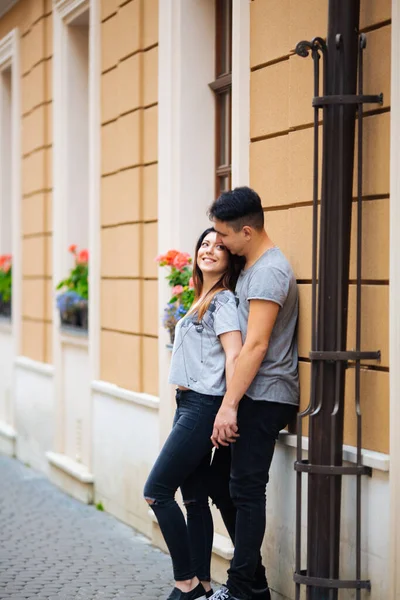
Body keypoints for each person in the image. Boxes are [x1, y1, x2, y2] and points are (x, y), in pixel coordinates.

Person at [207, 187, 300, 600]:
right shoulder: (251, 266)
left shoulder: (269, 272)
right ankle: (256, 582)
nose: (219, 243)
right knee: (219, 482)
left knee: (245, 489)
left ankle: (242, 588)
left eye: (223, 236)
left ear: (246, 230)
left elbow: (257, 346)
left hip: (266, 396)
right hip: (250, 394)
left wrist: (229, 406)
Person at [144, 227, 244, 600]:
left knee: (156, 491)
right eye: (204, 244)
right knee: (194, 498)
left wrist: (229, 409)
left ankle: (184, 582)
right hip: (189, 403)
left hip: (204, 406)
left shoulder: (223, 302)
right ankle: (202, 583)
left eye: (220, 246)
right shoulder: (203, 298)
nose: (210, 250)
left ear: (231, 258)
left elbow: (234, 354)